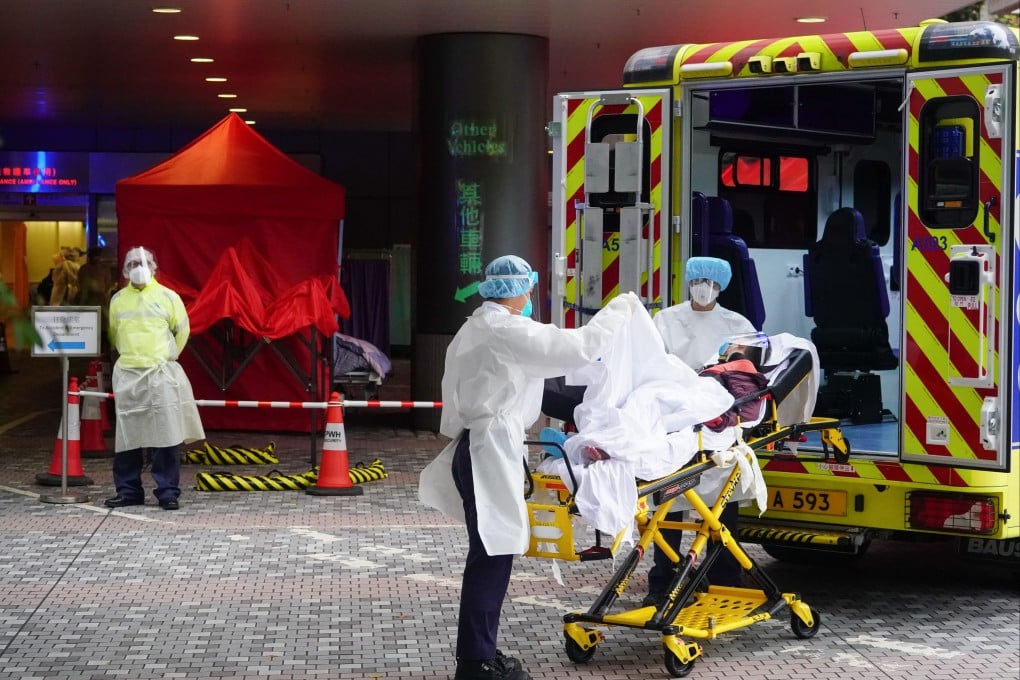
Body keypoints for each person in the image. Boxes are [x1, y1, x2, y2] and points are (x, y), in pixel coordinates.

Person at [419, 254, 640, 680]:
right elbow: (575, 347)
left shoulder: (472, 328)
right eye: (529, 288)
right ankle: (476, 663)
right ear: (518, 289)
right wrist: (619, 311)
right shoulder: (507, 329)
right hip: (491, 449)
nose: (530, 296)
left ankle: (481, 653)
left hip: (477, 444)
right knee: (492, 554)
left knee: (491, 553)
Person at [644, 256, 758, 604]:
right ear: (688, 282)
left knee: (722, 502)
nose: (703, 287)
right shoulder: (665, 320)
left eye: (710, 282)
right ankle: (664, 581)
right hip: (676, 420)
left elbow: (746, 373)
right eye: (698, 281)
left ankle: (724, 578)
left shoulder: (737, 324)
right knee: (668, 499)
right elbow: (651, 364)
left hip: (719, 421)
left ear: (721, 285)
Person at [104, 247, 205, 511]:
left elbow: (182, 332)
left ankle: (168, 492)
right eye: (134, 262)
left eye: (144, 262)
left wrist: (163, 357)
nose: (139, 266)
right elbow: (114, 335)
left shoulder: (168, 297)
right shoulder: (117, 300)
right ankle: (128, 491)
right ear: (125, 269)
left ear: (154, 266)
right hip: (128, 374)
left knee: (166, 436)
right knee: (127, 436)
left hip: (160, 374)